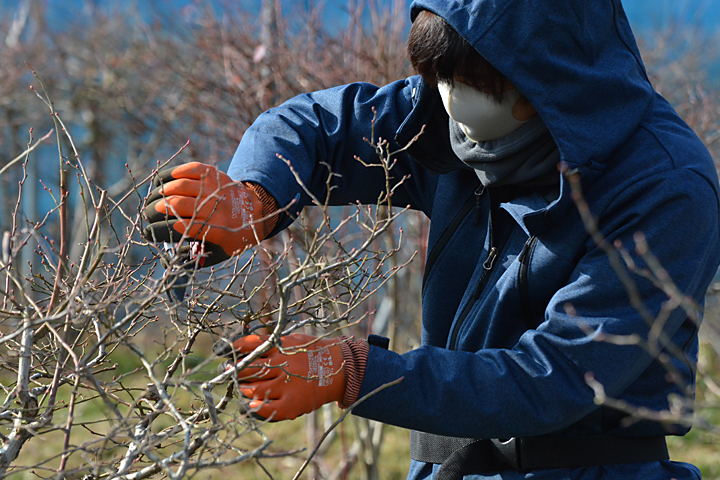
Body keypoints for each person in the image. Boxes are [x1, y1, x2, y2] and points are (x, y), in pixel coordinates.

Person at [143, 0, 720, 478]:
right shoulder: (448, 122)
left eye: (465, 83)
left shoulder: (664, 187)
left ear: (541, 82)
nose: (444, 98)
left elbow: (558, 376)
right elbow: (317, 129)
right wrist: (257, 196)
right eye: (437, 77)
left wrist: (355, 371)